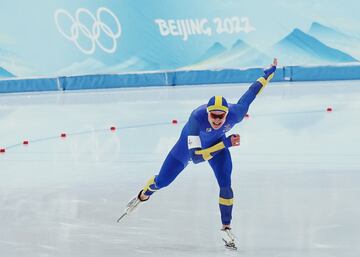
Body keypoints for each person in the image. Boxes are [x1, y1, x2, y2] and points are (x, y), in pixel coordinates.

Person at [121, 58, 278, 249]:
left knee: (226, 184)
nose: (218, 120)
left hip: (217, 147)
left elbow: (252, 92)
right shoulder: (197, 118)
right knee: (162, 182)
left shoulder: (236, 113)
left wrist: (268, 73)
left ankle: (226, 228)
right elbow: (195, 158)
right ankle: (143, 195)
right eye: (214, 115)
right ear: (208, 112)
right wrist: (226, 143)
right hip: (185, 151)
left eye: (222, 116)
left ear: (227, 113)